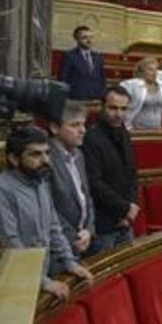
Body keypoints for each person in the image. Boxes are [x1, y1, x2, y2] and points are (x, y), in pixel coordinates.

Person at [0, 127, 94, 300]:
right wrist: (44, 282)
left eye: (47, 153)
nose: (45, 160)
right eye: (35, 154)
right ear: (14, 159)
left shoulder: (41, 181)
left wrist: (69, 262)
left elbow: (54, 228)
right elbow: (10, 243)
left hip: (39, 275)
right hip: (9, 284)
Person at [83, 86, 140, 252]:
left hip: (125, 221)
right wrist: (124, 209)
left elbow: (131, 173)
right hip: (103, 224)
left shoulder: (123, 133)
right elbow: (94, 183)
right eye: (113, 108)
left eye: (123, 109)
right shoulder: (92, 138)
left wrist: (131, 208)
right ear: (102, 107)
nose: (119, 114)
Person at [47, 102, 95, 258]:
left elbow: (87, 196)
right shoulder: (45, 159)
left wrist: (88, 229)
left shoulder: (79, 155)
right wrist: (74, 237)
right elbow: (48, 209)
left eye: (83, 124)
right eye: (75, 125)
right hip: (59, 246)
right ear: (55, 128)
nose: (82, 130)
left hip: (83, 239)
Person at [119, 56, 162, 130]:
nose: (154, 73)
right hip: (137, 129)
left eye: (156, 69)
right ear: (142, 71)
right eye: (150, 69)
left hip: (157, 128)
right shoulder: (133, 85)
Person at [57, 25, 106, 100]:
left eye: (91, 37)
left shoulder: (98, 57)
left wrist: (101, 94)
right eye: (85, 37)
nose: (89, 40)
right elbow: (63, 79)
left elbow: (102, 79)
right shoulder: (69, 56)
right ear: (77, 39)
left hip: (96, 98)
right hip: (76, 98)